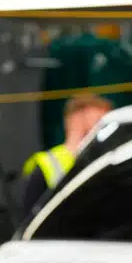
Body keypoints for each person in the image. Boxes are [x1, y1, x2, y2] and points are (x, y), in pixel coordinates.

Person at [18, 92, 110, 220]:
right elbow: (29, 219)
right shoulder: (45, 165)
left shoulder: (100, 161)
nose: (104, 125)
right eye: (99, 119)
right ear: (77, 117)